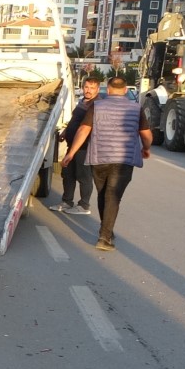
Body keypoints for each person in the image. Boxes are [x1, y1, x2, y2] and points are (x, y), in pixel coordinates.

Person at [61, 77, 153, 251]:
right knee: (113, 196)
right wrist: (146, 148)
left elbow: (83, 129)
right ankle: (105, 236)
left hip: (100, 157)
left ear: (108, 90)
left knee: (104, 194)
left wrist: (71, 153)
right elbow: (146, 134)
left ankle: (106, 232)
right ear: (125, 90)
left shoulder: (97, 106)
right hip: (124, 159)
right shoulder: (136, 108)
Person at [52, 78, 99, 215]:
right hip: (72, 145)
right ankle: (67, 202)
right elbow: (75, 120)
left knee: (84, 176)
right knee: (68, 174)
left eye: (91, 88)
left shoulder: (96, 104)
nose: (88, 90)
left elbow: (85, 128)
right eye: (86, 87)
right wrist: (66, 132)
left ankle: (84, 205)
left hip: (85, 147)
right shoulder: (83, 102)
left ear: (97, 89)